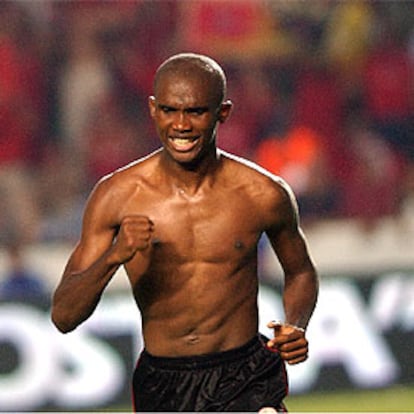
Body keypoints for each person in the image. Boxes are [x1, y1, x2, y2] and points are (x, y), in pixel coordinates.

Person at [51, 53, 318, 412]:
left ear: (222, 112)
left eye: (195, 112)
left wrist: (296, 325)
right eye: (169, 110)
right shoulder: (117, 195)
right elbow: (64, 316)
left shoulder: (262, 193)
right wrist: (115, 255)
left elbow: (300, 271)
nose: (181, 125)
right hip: (164, 384)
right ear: (152, 109)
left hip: (244, 376)